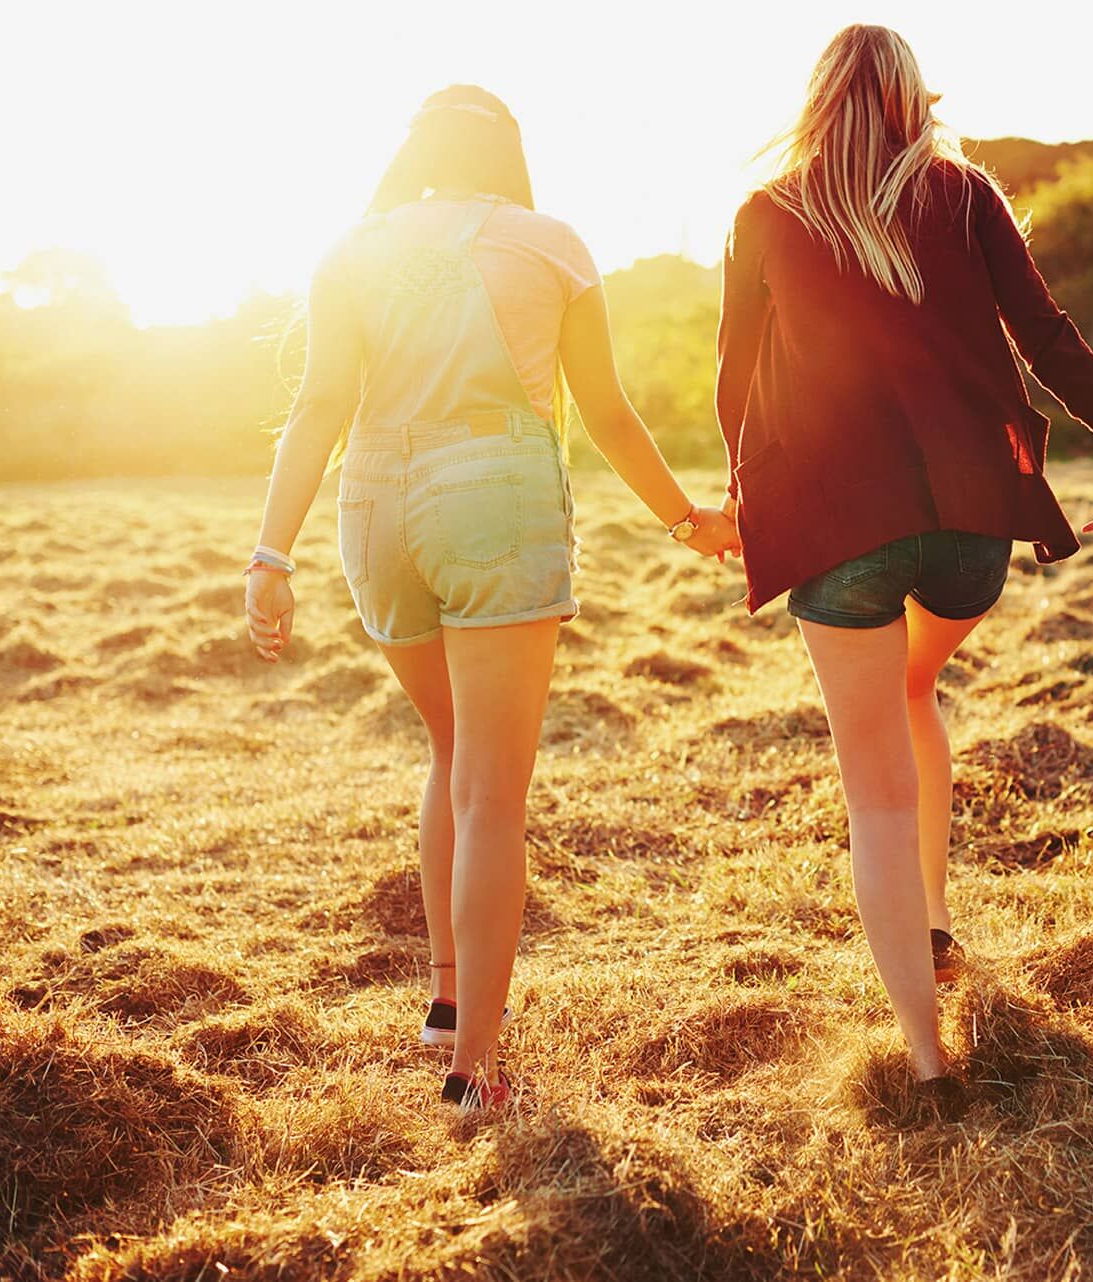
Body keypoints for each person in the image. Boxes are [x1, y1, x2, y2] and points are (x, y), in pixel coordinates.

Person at [244, 85, 739, 1109]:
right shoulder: (548, 244)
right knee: (490, 792)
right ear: (506, 154)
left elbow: (319, 405)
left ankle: (444, 1001)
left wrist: (269, 554)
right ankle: (475, 1069)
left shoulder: (353, 248)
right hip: (494, 504)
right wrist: (687, 521)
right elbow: (604, 409)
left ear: (418, 149)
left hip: (374, 512)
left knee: (450, 752)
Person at [717, 25, 1093, 1105]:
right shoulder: (965, 196)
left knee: (874, 796)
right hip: (971, 529)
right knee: (916, 681)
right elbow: (1051, 342)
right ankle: (935, 925)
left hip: (839, 531)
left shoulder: (765, 214)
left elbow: (735, 385)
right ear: (913, 101)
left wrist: (745, 497)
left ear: (819, 101)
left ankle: (927, 1062)